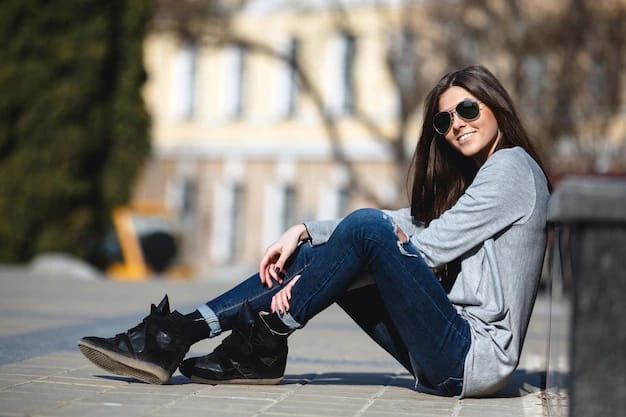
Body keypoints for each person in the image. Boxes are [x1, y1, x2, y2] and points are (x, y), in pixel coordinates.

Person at [78, 65, 550, 398]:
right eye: (444, 120)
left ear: (494, 105)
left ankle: (263, 337)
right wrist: (305, 232)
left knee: (361, 230)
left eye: (467, 109)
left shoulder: (511, 169)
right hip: (445, 356)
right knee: (349, 235)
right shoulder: (482, 176)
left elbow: (425, 249)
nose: (457, 126)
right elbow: (411, 223)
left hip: (471, 358)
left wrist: (316, 279)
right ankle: (183, 333)